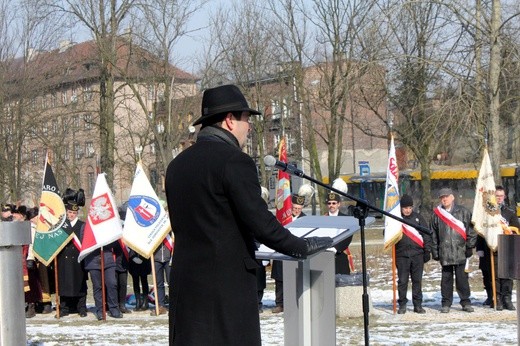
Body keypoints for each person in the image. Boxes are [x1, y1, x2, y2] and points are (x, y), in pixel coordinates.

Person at [164, 84, 332, 345]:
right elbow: (260, 222)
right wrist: (302, 247)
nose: (249, 126)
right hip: (226, 286)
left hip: (186, 285)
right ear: (229, 120)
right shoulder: (234, 161)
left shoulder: (176, 166)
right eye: (245, 118)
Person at [431, 187, 477, 313]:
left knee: (462, 279)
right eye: (442, 197)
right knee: (446, 279)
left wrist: (469, 247)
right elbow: (433, 235)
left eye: (446, 196)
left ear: (452, 197)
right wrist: (435, 252)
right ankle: (446, 303)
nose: (444, 199)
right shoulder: (436, 214)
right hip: (445, 252)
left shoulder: (464, 212)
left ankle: (465, 302)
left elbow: (472, 231)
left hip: (460, 251)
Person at [476, 185, 519, 310]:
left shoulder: (510, 213)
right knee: (494, 275)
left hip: (507, 247)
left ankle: (507, 298)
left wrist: (512, 233)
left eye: (501, 196)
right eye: (497, 196)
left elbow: (517, 229)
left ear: (504, 197)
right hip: (491, 248)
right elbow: (481, 231)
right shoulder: (487, 213)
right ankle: (497, 298)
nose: (499, 198)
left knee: (507, 275)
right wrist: (479, 248)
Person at [395, 195, 431, 314]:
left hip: (417, 255)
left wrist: (427, 251)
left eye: (409, 207)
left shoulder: (418, 218)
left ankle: (417, 305)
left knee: (417, 281)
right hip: (402, 255)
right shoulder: (395, 219)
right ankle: (402, 305)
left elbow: (426, 235)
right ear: (401, 208)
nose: (407, 210)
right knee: (402, 281)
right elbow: (388, 235)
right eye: (405, 208)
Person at [271, 194, 307, 314]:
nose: (296, 211)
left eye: (299, 208)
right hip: (281, 250)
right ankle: (280, 303)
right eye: (294, 208)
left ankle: (294, 302)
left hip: (295, 251)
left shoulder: (305, 219)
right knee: (280, 278)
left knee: (296, 278)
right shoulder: (283, 217)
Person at [56, 199, 88, 318]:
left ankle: (81, 308)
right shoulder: (61, 225)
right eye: (69, 212)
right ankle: (64, 308)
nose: (71, 215)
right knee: (64, 284)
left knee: (79, 284)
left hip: (78, 260)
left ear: (77, 213)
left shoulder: (81, 225)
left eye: (73, 213)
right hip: (63, 260)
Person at [84, 241, 122, 320]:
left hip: (108, 259)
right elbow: (84, 240)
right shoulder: (86, 227)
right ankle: (100, 310)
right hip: (92, 260)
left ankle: (114, 308)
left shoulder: (107, 227)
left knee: (112, 284)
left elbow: (114, 241)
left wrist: (104, 241)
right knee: (98, 286)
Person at [325, 192, 354, 274]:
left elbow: (348, 237)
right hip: (325, 255)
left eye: (334, 203)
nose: (331, 205)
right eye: (329, 203)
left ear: (338, 204)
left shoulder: (346, 219)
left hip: (340, 254)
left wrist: (336, 249)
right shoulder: (323, 219)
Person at [151, 236, 172, 316]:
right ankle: (161, 305)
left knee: (171, 282)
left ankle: (173, 304)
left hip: (169, 257)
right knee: (158, 284)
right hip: (156, 258)